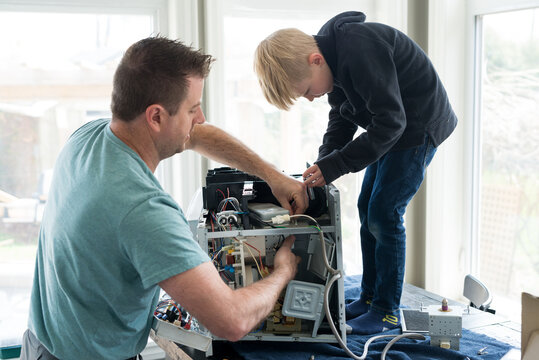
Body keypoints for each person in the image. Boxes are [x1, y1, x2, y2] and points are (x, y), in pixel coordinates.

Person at [21, 36, 308, 359]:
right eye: (193, 109)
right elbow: (233, 320)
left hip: (39, 344)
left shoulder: (88, 137)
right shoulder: (142, 209)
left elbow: (197, 135)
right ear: (156, 117)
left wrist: (273, 176)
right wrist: (284, 271)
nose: (200, 119)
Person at [254, 11, 457, 335]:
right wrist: (323, 165)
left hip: (417, 126)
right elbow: (343, 117)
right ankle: (369, 297)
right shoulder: (333, 61)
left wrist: (335, 165)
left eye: (306, 90)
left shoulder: (359, 50)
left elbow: (392, 122)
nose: (310, 98)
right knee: (367, 208)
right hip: (391, 127)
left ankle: (387, 310)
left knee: (384, 212)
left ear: (315, 60)